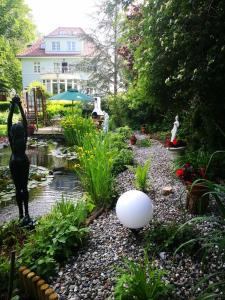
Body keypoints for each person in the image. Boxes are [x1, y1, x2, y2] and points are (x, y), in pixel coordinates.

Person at [7, 96, 31, 225]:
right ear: (22, 131)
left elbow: (9, 122)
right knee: (24, 188)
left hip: (14, 161)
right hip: (23, 161)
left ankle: (21, 213)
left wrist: (13, 106)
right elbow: (25, 122)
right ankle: (26, 213)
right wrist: (20, 105)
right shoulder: (24, 137)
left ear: (12, 132)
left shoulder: (12, 139)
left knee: (18, 188)